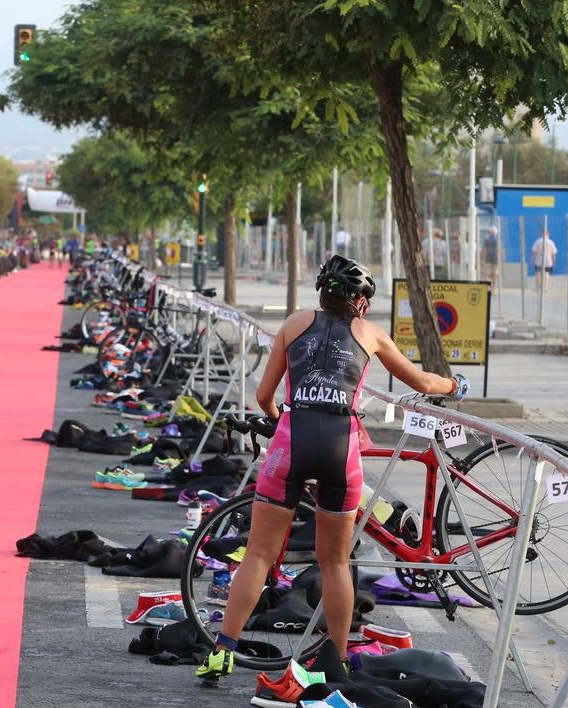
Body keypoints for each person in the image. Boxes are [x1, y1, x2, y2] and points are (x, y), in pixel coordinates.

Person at [196, 255, 468, 683]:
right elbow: (420, 382)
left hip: (292, 439)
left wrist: (281, 422)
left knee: (260, 553)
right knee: (335, 562)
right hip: (341, 446)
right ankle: (335, 662)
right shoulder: (370, 334)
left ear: (322, 294)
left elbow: (265, 396)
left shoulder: (292, 325)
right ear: (360, 302)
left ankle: (222, 651)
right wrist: (456, 385)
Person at [480, 226, 501, 293]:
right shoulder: (498, 240)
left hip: (488, 258)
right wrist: (502, 259)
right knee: (494, 274)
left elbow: (484, 250)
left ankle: (488, 288)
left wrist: (481, 260)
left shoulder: (486, 239)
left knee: (486, 274)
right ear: (496, 233)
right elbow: (501, 250)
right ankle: (493, 289)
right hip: (496, 259)